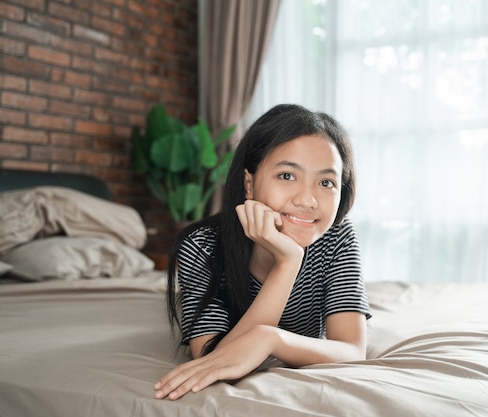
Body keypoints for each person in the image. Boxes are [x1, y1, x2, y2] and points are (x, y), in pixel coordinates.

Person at [154, 103, 371, 401]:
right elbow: (215, 358)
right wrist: (287, 262)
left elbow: (352, 349)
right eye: (287, 176)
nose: (308, 200)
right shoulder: (201, 246)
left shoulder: (336, 235)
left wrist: (271, 339)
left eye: (326, 182)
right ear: (249, 183)